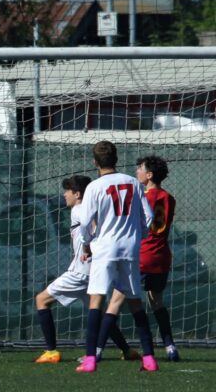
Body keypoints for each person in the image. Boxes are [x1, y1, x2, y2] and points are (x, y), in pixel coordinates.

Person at [35, 175, 139, 364]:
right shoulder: (90, 208)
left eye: (67, 191)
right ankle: (127, 350)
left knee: (41, 299)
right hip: (93, 271)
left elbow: (91, 225)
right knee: (97, 313)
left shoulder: (79, 209)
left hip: (81, 272)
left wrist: (88, 245)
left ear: (78, 193)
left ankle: (51, 351)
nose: (65, 195)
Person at [76, 140, 157, 373]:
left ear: (94, 162)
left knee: (96, 300)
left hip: (104, 249)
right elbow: (148, 217)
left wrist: (86, 244)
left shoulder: (94, 187)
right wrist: (138, 235)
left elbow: (85, 222)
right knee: (134, 301)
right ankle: (150, 358)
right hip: (129, 248)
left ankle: (91, 359)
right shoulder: (133, 182)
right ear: (117, 159)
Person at [136, 155, 179, 361]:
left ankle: (96, 350)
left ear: (150, 175)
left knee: (117, 301)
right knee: (156, 301)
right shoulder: (169, 197)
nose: (137, 172)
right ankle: (170, 345)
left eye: (140, 169)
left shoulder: (143, 197)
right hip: (161, 256)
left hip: (143, 255)